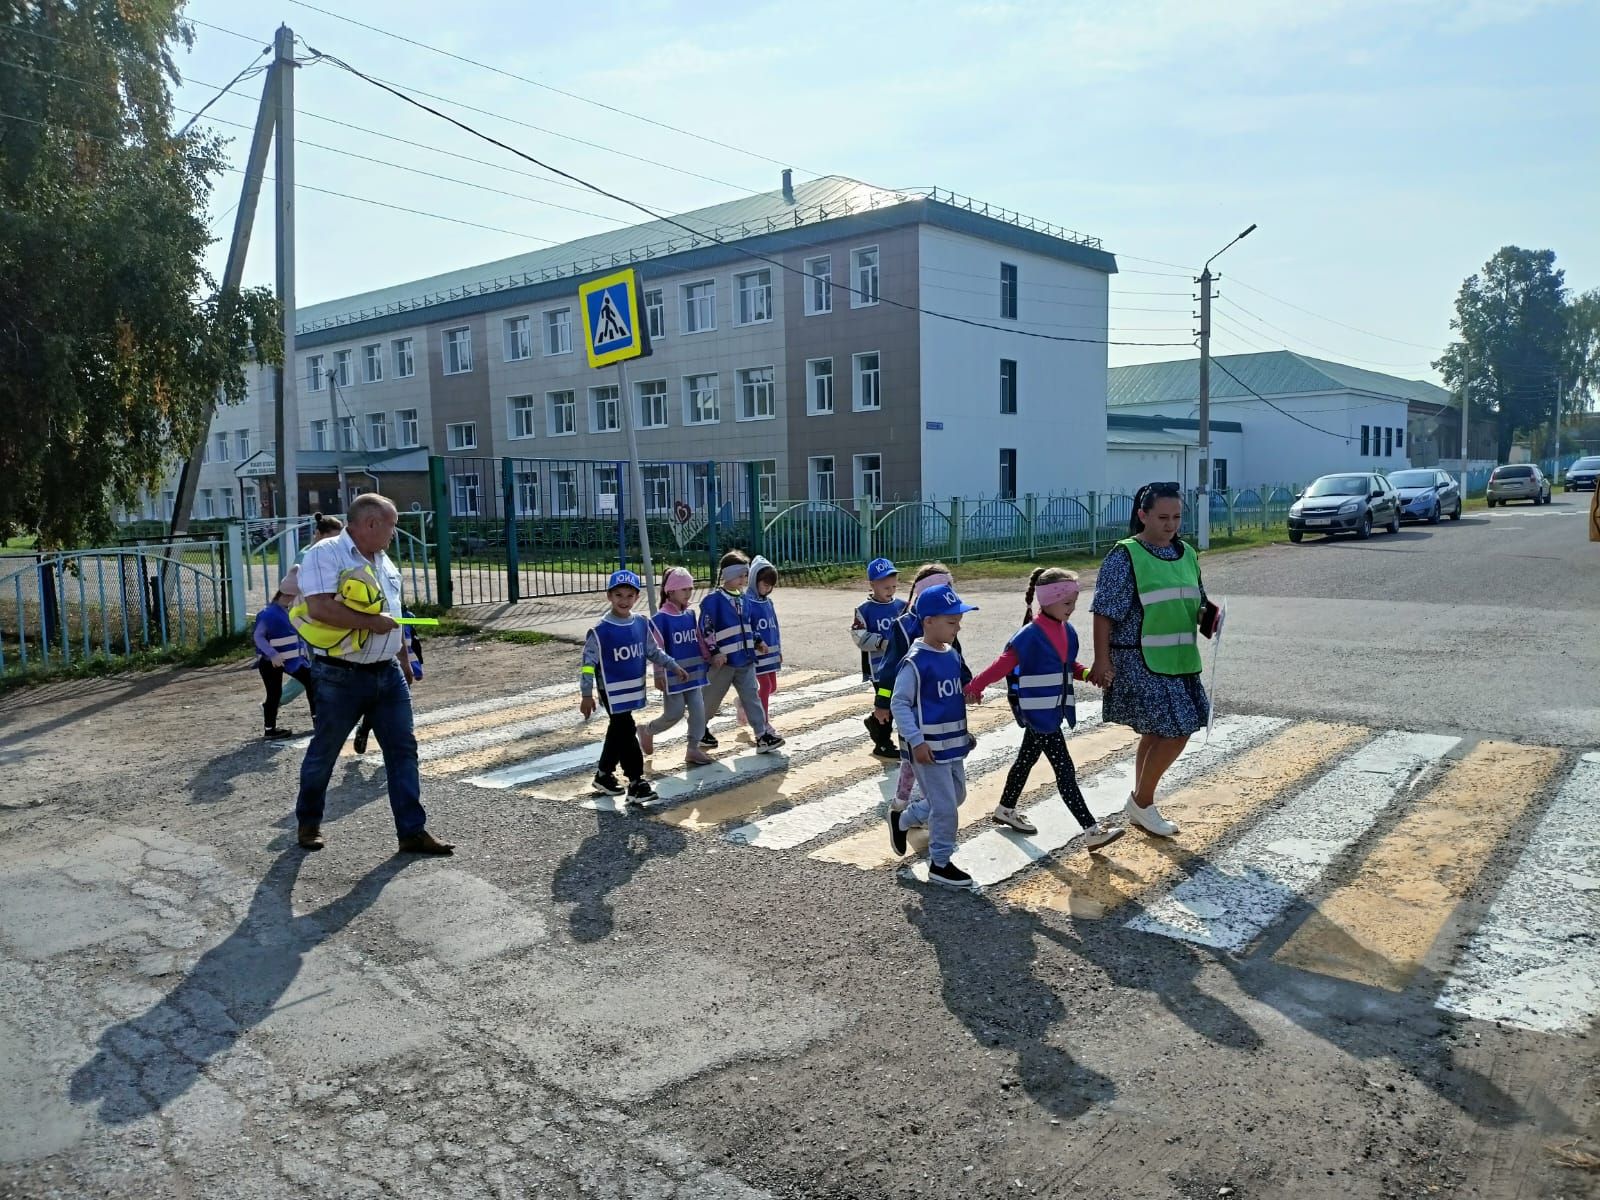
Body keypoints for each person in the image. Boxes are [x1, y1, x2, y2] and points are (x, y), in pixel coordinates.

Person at [292, 493, 454, 855]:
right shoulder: (326, 553)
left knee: (403, 750)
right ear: (370, 524)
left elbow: (390, 615)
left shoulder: (383, 561)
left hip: (388, 672)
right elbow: (319, 608)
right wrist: (370, 624)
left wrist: (405, 658)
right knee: (326, 751)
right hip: (339, 675)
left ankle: (412, 831)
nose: (395, 533)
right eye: (392, 525)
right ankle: (309, 823)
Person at [1087, 481, 1217, 838]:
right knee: (1177, 731)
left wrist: (1211, 618)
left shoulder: (1187, 553)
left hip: (1180, 658)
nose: (1171, 524)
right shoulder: (1125, 555)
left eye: (1176, 516)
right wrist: (1102, 660)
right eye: (1162, 517)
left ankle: (1141, 803)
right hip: (1138, 659)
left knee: (1160, 731)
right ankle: (1142, 803)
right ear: (1142, 515)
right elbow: (1103, 612)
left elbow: (1196, 601)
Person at [965, 567, 1123, 848]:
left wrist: (1089, 675)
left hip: (1054, 710)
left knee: (1026, 760)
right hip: (1039, 716)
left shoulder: (1067, 630)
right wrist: (976, 686)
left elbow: (1068, 666)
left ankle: (1005, 809)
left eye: (1074, 603)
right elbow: (1003, 664)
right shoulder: (1030, 635)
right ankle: (1091, 829)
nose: (1072, 609)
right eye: (1067, 603)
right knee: (1065, 772)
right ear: (1047, 600)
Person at [887, 583, 981, 889]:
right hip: (929, 749)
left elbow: (947, 697)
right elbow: (899, 703)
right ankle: (940, 863)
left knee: (957, 796)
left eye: (958, 621)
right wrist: (916, 741)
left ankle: (902, 820)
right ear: (928, 621)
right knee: (944, 807)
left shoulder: (951, 654)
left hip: (952, 745)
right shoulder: (916, 661)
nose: (957, 627)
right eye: (951, 621)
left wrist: (966, 700)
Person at [871, 563, 972, 816]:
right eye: (944, 589)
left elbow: (956, 658)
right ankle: (907, 809)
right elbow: (889, 668)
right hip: (915, 712)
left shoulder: (946, 626)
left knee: (919, 764)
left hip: (939, 709)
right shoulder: (904, 626)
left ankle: (910, 808)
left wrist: (967, 683)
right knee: (915, 760)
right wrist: (882, 703)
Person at [580, 569, 687, 803]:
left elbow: (652, 651)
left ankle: (603, 774)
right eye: (618, 595)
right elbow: (588, 664)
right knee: (626, 730)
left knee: (618, 731)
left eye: (629, 596)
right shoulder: (600, 631)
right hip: (611, 691)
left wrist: (673, 666)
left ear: (636, 597)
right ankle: (636, 781)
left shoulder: (640, 623)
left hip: (631, 689)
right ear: (609, 596)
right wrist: (586, 694)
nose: (624, 601)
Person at [699, 550, 786, 755]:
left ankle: (761, 734)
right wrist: (715, 652)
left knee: (751, 698)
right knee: (711, 700)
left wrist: (757, 641)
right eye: (740, 575)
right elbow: (706, 628)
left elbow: (747, 625)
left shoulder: (744, 600)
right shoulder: (714, 600)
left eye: (745, 575)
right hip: (724, 663)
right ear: (728, 576)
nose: (744, 580)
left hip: (745, 660)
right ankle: (698, 728)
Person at [641, 566, 713, 768]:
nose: (689, 593)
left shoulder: (690, 614)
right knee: (675, 713)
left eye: (691, 589)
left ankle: (693, 749)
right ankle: (647, 730)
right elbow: (655, 648)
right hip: (673, 676)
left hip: (694, 674)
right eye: (684, 589)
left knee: (699, 711)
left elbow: (698, 639)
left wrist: (708, 657)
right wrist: (658, 674)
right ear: (670, 591)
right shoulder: (660, 620)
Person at [851, 557, 906, 760]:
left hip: (902, 668)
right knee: (886, 703)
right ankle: (882, 742)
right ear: (872, 584)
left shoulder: (902, 606)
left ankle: (878, 725)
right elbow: (859, 636)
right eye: (885, 586)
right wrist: (881, 643)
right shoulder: (864, 610)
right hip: (881, 673)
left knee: (899, 704)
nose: (890, 590)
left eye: (893, 586)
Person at [253, 579, 316, 740]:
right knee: (274, 694)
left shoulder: (289, 611)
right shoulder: (268, 613)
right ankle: (270, 729)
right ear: (288, 594)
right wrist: (272, 654)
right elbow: (258, 636)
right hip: (271, 661)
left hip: (293, 660)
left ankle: (318, 720)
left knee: (312, 683)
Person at [354, 612, 422, 755]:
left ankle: (396, 751)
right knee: (377, 704)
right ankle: (365, 729)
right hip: (374, 660)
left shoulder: (403, 614)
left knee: (396, 711)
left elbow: (410, 641)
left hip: (397, 663)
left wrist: (410, 663)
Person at [744, 556, 783, 723]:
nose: (767, 589)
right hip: (757, 653)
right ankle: (763, 722)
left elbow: (775, 627)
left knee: (772, 687)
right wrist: (757, 642)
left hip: (771, 653)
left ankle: (744, 705)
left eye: (770, 586)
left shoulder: (769, 602)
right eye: (765, 585)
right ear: (754, 580)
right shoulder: (747, 602)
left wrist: (779, 650)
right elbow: (746, 627)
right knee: (766, 686)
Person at [279, 511, 344, 600]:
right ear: (318, 533)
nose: (335, 543)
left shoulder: (331, 553)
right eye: (331, 539)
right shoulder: (305, 557)